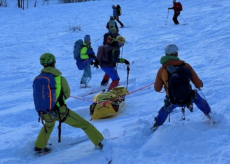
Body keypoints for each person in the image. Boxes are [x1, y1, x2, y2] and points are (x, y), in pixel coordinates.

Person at [34, 53, 104, 154]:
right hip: (60, 111)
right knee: (84, 124)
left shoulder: (38, 79)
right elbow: (67, 94)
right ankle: (101, 142)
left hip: (45, 112)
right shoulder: (60, 78)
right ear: (54, 62)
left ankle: (39, 148)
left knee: (48, 127)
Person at [152, 44, 211, 130]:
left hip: (173, 99)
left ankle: (157, 125)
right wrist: (201, 84)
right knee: (198, 99)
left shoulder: (162, 70)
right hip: (188, 97)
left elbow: (157, 89)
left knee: (166, 108)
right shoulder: (186, 66)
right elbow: (198, 84)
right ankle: (210, 115)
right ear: (176, 54)